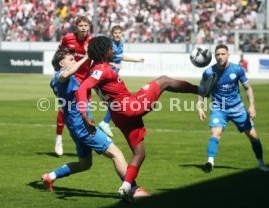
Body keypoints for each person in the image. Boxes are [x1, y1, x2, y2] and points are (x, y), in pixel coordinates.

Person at [75, 36, 216, 198]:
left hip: (119, 115)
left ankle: (126, 188)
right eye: (110, 48)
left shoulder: (95, 67)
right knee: (164, 80)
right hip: (130, 106)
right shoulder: (102, 70)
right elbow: (81, 89)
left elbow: (85, 85)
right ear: (102, 52)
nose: (113, 50)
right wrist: (84, 115)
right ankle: (201, 90)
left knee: (139, 153)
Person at [42, 48, 150, 199]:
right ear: (61, 63)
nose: (74, 61)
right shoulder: (61, 75)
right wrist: (85, 57)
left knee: (84, 164)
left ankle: (50, 176)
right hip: (84, 126)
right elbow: (66, 73)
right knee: (116, 153)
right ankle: (133, 189)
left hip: (75, 127)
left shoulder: (54, 81)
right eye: (71, 59)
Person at [197, 44, 269, 173]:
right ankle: (210, 161)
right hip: (219, 108)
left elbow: (248, 87)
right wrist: (200, 107)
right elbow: (201, 90)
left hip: (237, 108)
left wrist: (252, 106)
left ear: (228, 55)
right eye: (217, 54)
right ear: (215, 56)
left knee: (253, 136)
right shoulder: (209, 72)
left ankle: (261, 164)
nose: (220, 57)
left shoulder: (237, 70)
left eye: (223, 54)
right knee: (216, 134)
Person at [54, 15, 93, 156]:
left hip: (87, 80)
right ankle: (58, 138)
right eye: (81, 25)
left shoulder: (92, 41)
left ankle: (90, 139)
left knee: (86, 109)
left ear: (89, 26)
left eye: (86, 25)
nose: (83, 28)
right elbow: (59, 54)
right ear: (76, 27)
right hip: (72, 77)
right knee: (66, 108)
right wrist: (58, 71)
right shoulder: (68, 38)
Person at [98, 25, 144, 138]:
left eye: (119, 33)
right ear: (112, 34)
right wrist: (114, 64)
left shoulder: (121, 44)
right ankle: (105, 122)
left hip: (113, 77)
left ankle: (106, 122)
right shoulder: (109, 45)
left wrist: (136, 60)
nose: (117, 35)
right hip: (106, 78)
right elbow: (102, 59)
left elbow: (122, 56)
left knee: (115, 103)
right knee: (118, 101)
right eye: (115, 33)